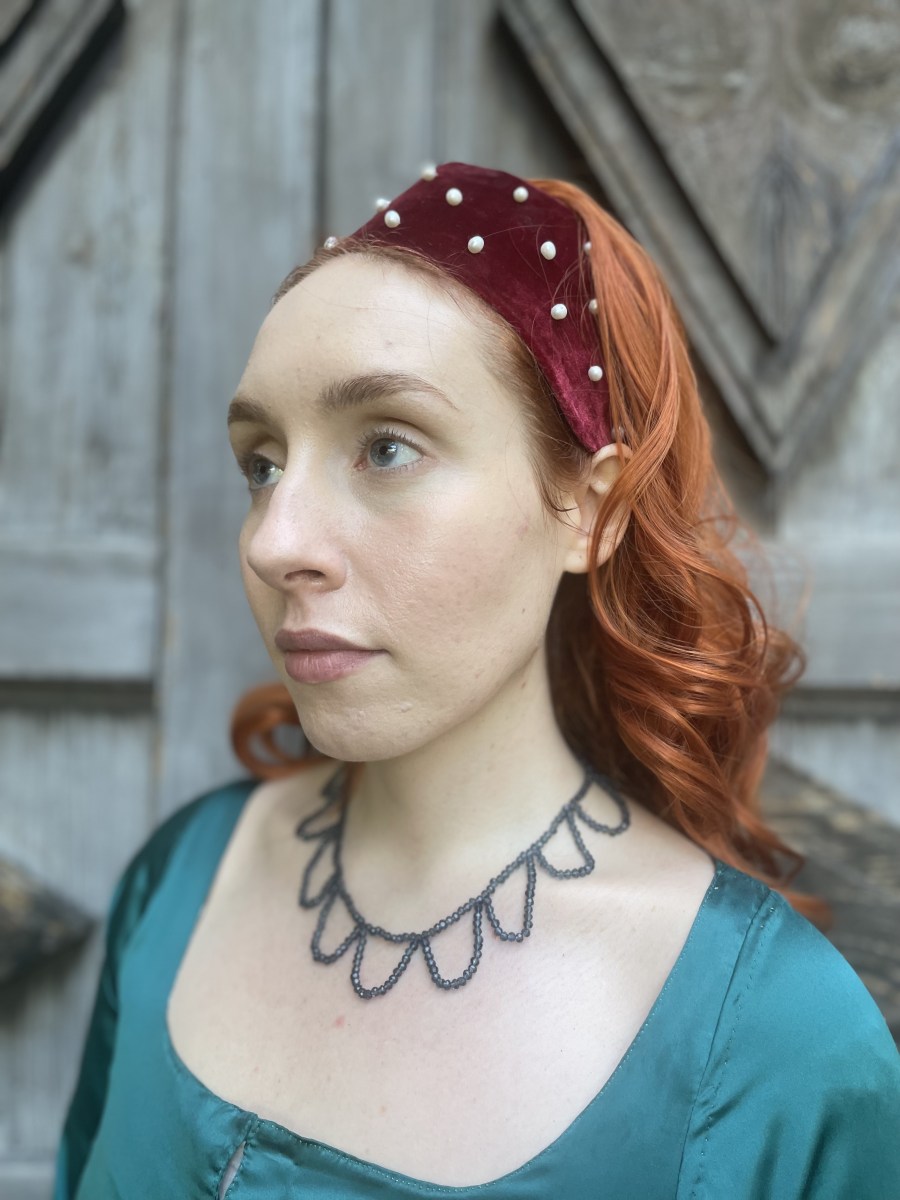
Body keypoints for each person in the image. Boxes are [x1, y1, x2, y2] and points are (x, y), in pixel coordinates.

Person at [54, 162, 899, 1199]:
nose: (276, 542)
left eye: (387, 448)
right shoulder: (179, 882)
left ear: (590, 511)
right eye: (262, 463)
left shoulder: (775, 1038)